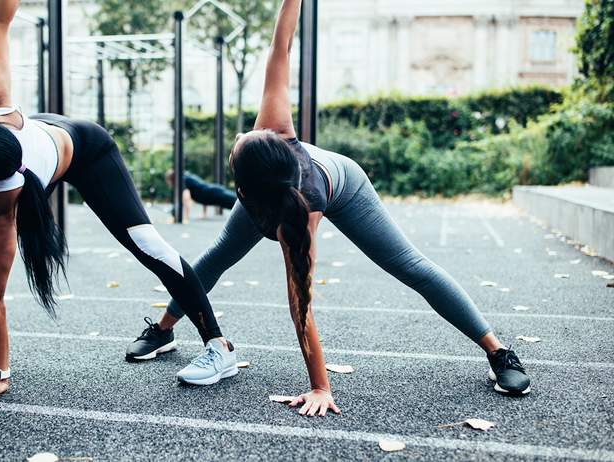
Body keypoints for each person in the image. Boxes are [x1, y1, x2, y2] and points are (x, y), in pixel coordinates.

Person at [125, 0, 531, 417]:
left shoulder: (296, 219)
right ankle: (162, 331)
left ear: (242, 185)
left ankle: (498, 352)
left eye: (238, 142)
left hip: (344, 185)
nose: (241, 136)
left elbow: (300, 306)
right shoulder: (271, 128)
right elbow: (280, 47)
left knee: (410, 265)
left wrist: (320, 386)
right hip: (273, 191)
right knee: (214, 259)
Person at [0, 0, 236, 404]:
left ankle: (219, 347)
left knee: (148, 243)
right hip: (37, 162)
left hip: (86, 148)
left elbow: (0, 16)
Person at [165, 169, 237, 222]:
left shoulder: (183, 180)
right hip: (214, 192)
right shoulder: (186, 178)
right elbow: (203, 197)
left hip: (215, 193)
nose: (168, 183)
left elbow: (186, 198)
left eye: (168, 181)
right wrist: (204, 214)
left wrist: (186, 217)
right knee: (236, 203)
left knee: (238, 203)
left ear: (172, 179)